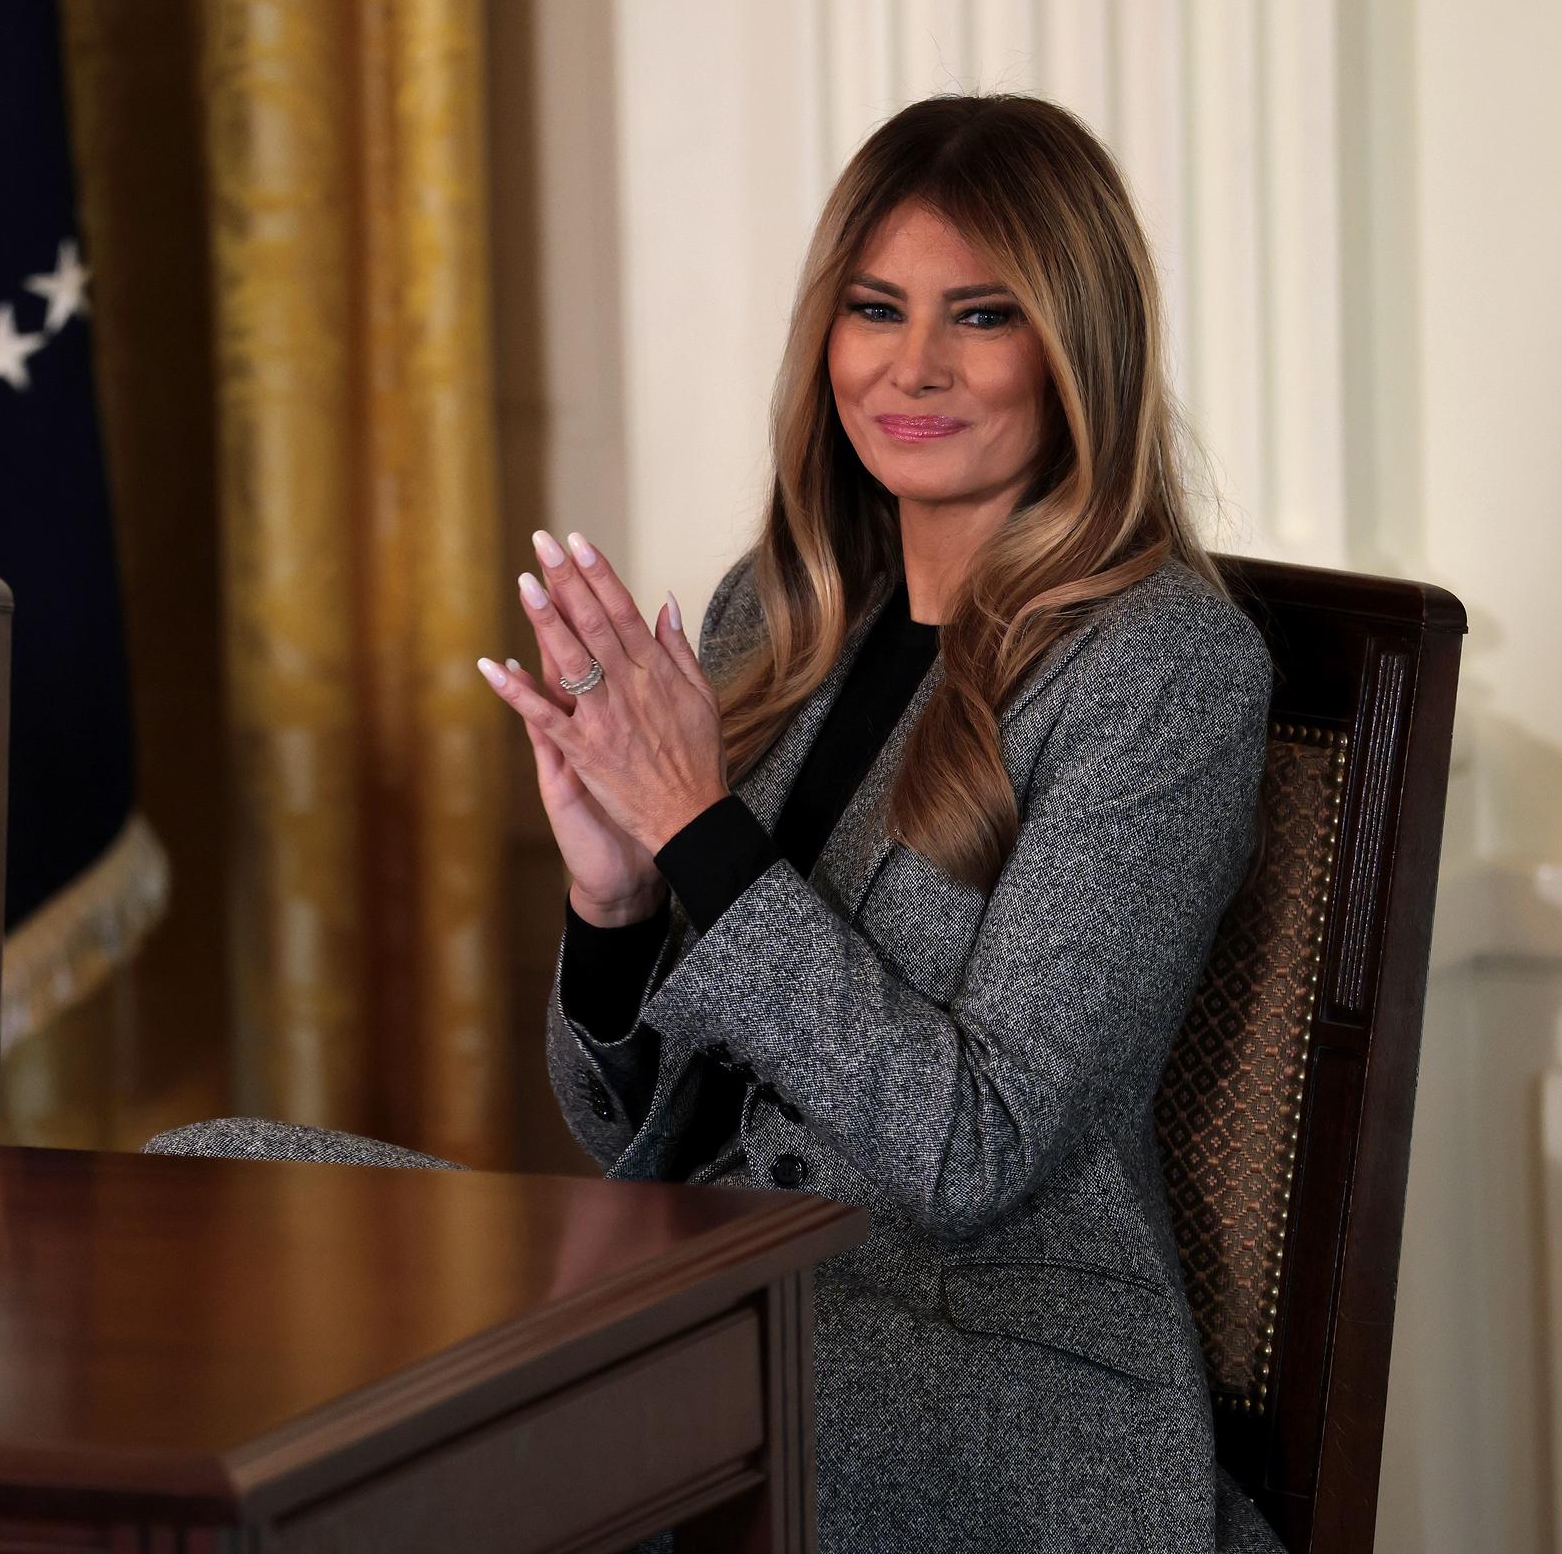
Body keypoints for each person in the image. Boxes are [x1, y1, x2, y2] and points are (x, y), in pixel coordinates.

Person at [148, 93, 1283, 1554]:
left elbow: (973, 1156)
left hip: (984, 1376)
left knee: (442, 1422)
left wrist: (702, 828)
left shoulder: (1161, 667)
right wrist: (616, 904)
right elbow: (635, 1124)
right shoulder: (788, 608)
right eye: (876, 310)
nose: (914, 366)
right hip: (720, 1284)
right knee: (207, 1186)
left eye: (982, 317)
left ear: (1079, 351)